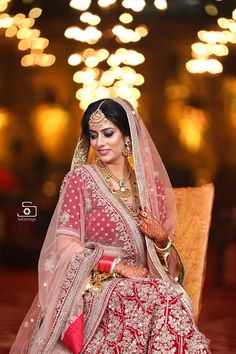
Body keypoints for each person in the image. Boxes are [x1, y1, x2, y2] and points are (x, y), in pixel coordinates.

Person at [10, 98, 211, 353]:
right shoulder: (81, 180)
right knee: (158, 296)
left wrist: (161, 238)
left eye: (108, 133)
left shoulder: (150, 187)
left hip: (147, 279)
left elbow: (165, 264)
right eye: (93, 136)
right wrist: (118, 266)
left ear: (127, 136)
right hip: (95, 283)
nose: (99, 143)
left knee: (166, 294)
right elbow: (65, 246)